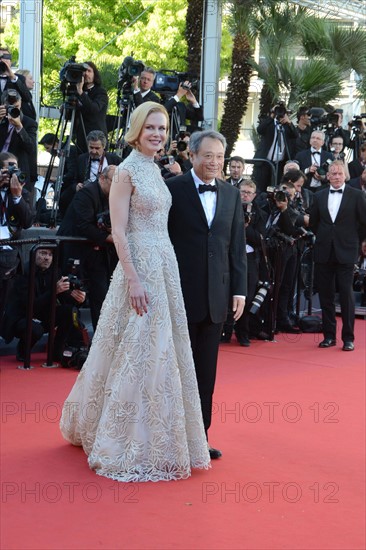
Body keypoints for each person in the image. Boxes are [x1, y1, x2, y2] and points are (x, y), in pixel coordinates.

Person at [60, 102, 210, 482]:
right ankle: (125, 435)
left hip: (165, 263)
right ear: (137, 129)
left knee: (160, 349)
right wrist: (134, 279)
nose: (157, 134)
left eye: (162, 128)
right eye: (151, 128)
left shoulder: (156, 170)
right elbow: (120, 231)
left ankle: (160, 434)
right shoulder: (125, 171)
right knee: (138, 347)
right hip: (140, 266)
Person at [167, 130, 247, 457]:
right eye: (208, 156)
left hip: (217, 296)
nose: (214, 162)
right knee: (174, 372)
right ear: (193, 155)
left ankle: (200, 438)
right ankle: (170, 438)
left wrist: (239, 290)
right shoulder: (172, 190)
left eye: (219, 157)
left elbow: (237, 247)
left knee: (206, 373)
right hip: (179, 295)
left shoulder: (231, 195)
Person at [309, 161, 366, 351]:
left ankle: (348, 338)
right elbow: (314, 223)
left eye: (339, 173)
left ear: (345, 176)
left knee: (346, 295)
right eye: (332, 173)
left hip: (347, 251)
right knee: (325, 296)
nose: (335, 176)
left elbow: (364, 222)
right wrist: (326, 238)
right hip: (324, 251)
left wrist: (357, 242)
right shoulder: (319, 196)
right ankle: (329, 336)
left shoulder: (357, 195)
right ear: (328, 176)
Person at [57, 165, 119, 331]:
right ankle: (68, 340)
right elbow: (84, 225)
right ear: (102, 178)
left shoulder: (115, 197)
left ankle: (102, 340)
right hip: (75, 249)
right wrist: (112, 238)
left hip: (97, 251)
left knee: (102, 295)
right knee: (71, 294)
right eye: (115, 181)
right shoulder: (87, 193)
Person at [1, 248, 86, 361]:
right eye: (43, 253)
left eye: (50, 254)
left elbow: (65, 299)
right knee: (36, 329)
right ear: (34, 254)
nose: (47, 257)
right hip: (22, 316)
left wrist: (78, 299)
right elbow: (30, 306)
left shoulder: (55, 272)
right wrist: (54, 291)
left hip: (43, 314)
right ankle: (22, 351)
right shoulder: (23, 273)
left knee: (70, 311)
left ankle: (57, 350)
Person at [0, 152, 34, 333]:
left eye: (15, 167)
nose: (13, 172)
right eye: (9, 167)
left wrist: (16, 197)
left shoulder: (24, 191)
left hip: (10, 255)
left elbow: (28, 221)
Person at [0, 89, 38, 191]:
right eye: (10, 107)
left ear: (20, 103)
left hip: (17, 169)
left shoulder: (29, 123)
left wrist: (19, 127)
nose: (14, 110)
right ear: (3, 104)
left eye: (17, 107)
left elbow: (31, 148)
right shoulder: (1, 118)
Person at [73, 62, 108, 154]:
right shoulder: (76, 92)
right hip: (80, 138)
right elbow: (72, 116)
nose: (86, 74)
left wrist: (81, 93)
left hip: (96, 139)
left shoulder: (100, 92)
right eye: (84, 71)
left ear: (94, 74)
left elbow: (94, 109)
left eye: (89, 71)